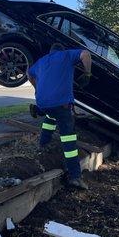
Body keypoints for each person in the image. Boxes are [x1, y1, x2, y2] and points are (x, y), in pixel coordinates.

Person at [27, 43, 92, 190]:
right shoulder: (67, 55)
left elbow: (29, 74)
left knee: (50, 116)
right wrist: (87, 74)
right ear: (62, 50)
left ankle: (43, 143)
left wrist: (37, 88)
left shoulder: (42, 60)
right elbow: (85, 54)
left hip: (43, 101)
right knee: (68, 139)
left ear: (51, 51)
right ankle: (75, 177)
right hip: (62, 104)